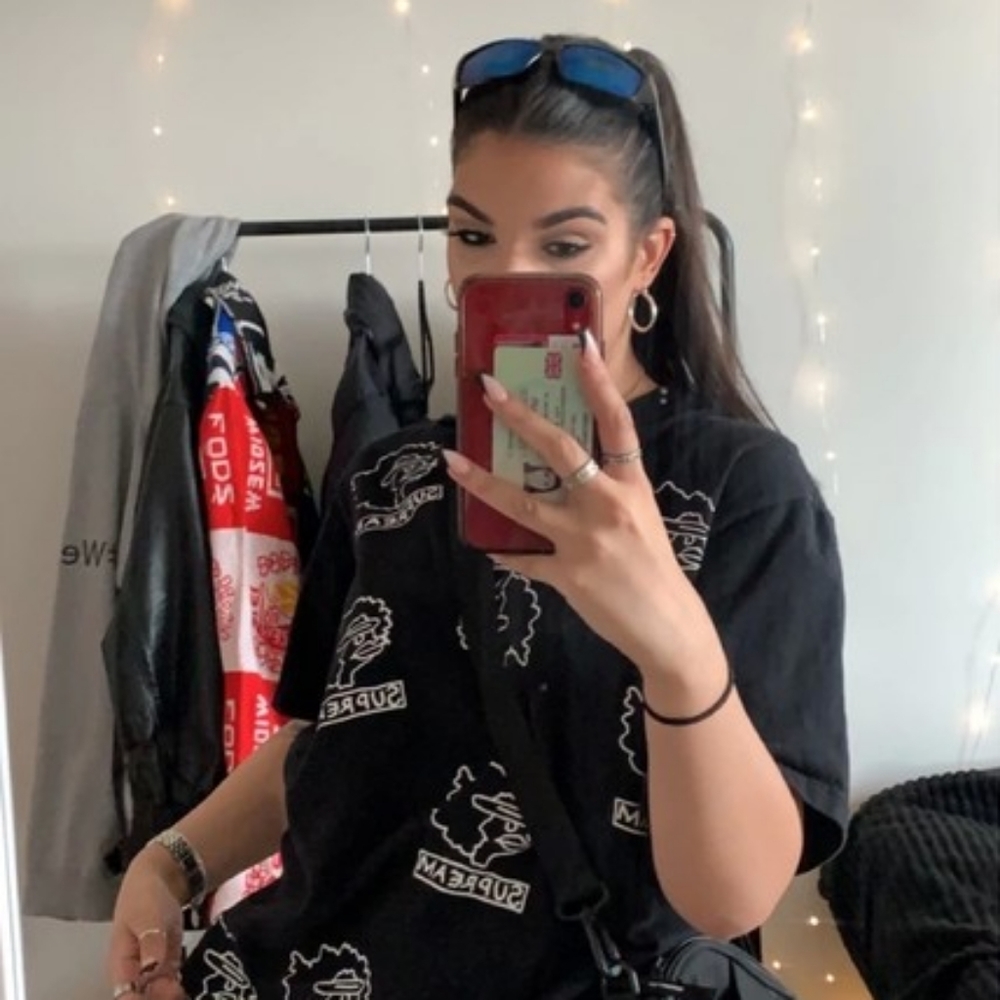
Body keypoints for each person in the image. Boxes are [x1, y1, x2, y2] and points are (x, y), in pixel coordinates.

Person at [107, 34, 849, 999]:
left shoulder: (746, 491)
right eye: (472, 236)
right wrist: (169, 863)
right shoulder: (390, 476)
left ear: (648, 256)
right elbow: (330, 736)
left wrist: (671, 639)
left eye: (564, 247)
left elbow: (728, 899)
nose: (503, 276)